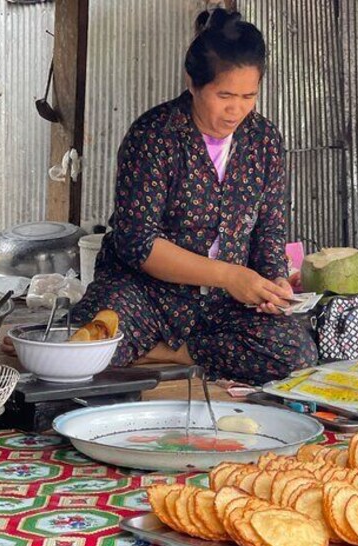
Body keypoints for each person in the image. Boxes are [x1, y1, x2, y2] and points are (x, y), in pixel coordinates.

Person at [69, 8, 318, 383]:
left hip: (223, 306)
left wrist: (273, 285)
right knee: (87, 346)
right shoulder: (155, 136)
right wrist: (229, 275)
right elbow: (139, 244)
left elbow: (269, 229)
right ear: (193, 82)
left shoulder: (264, 141)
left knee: (294, 350)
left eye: (249, 95)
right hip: (146, 293)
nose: (237, 109)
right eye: (225, 95)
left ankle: (164, 353)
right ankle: (149, 349)